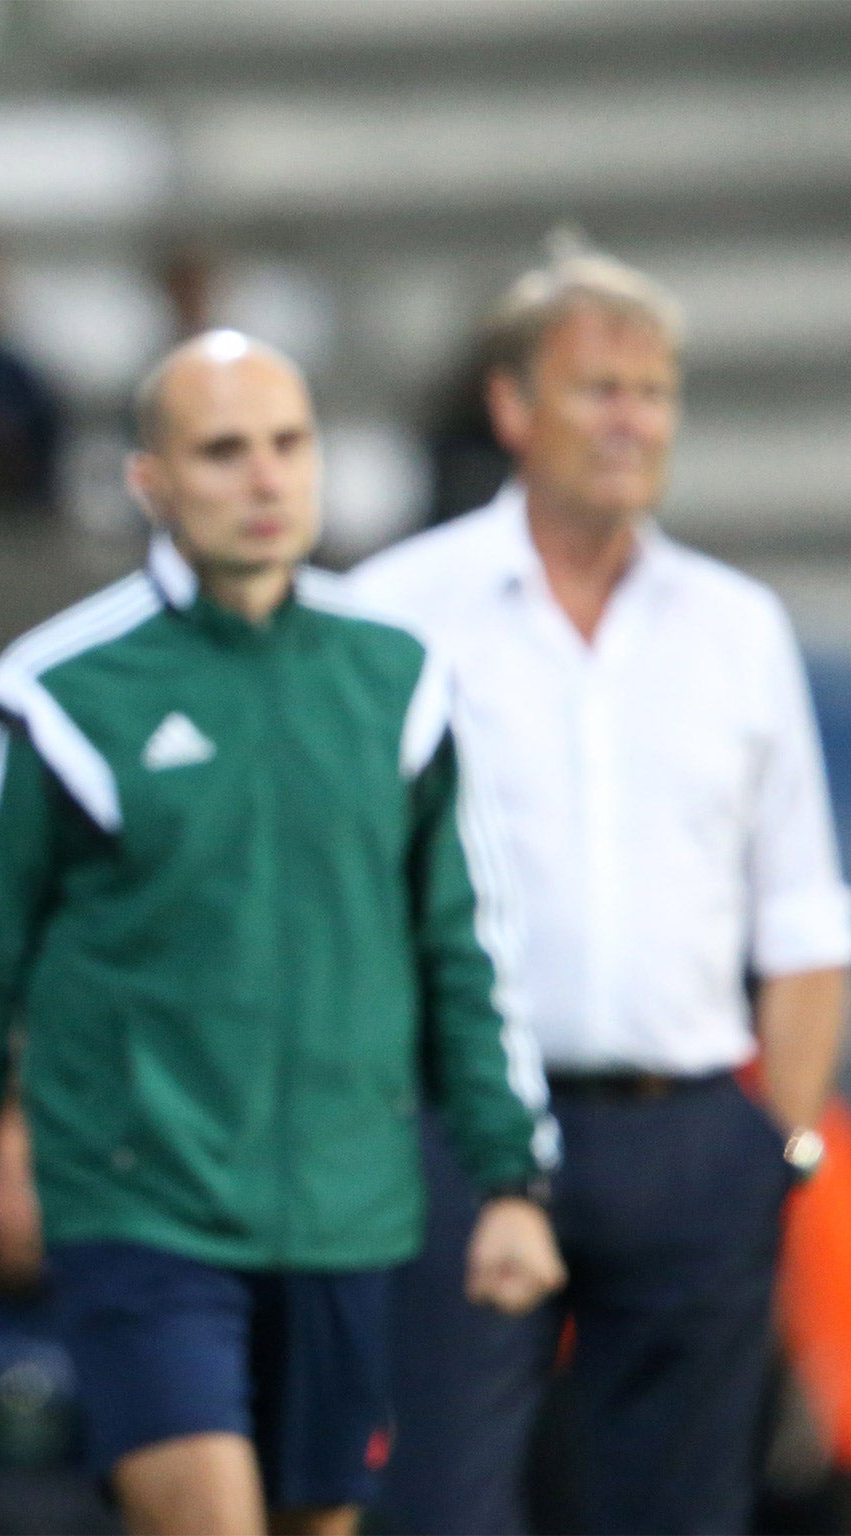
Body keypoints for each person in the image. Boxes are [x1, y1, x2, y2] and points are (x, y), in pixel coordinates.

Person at [0, 330, 564, 1536]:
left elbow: (466, 944)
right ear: (149, 482)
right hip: (143, 1215)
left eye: (287, 445)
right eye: (222, 451)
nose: (263, 479)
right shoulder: (51, 696)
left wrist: (510, 1176)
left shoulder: (397, 678)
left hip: (349, 1213)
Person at [352, 254, 851, 1536]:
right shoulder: (396, 615)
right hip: (458, 1136)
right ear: (513, 409)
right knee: (443, 1507)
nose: (631, 419)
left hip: (683, 1132)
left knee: (680, 1514)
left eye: (652, 391)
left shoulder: (734, 628)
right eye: (596, 389)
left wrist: (774, 1148)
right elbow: (333, 892)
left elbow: (801, 914)